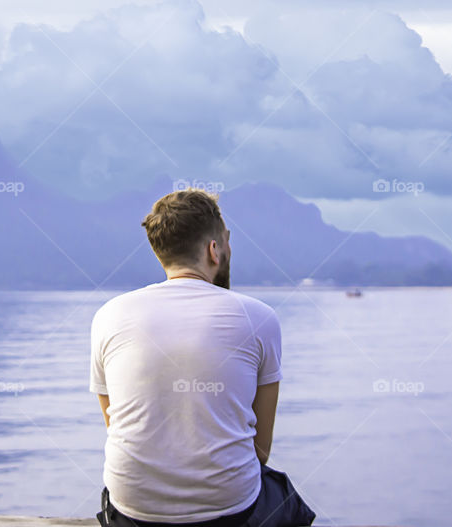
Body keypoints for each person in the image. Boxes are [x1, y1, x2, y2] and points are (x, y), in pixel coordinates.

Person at [90, 189, 316, 527]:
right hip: (229, 513)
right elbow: (260, 452)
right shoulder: (259, 317)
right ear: (214, 249)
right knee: (283, 495)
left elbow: (117, 425)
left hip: (132, 512)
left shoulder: (109, 315)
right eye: (226, 242)